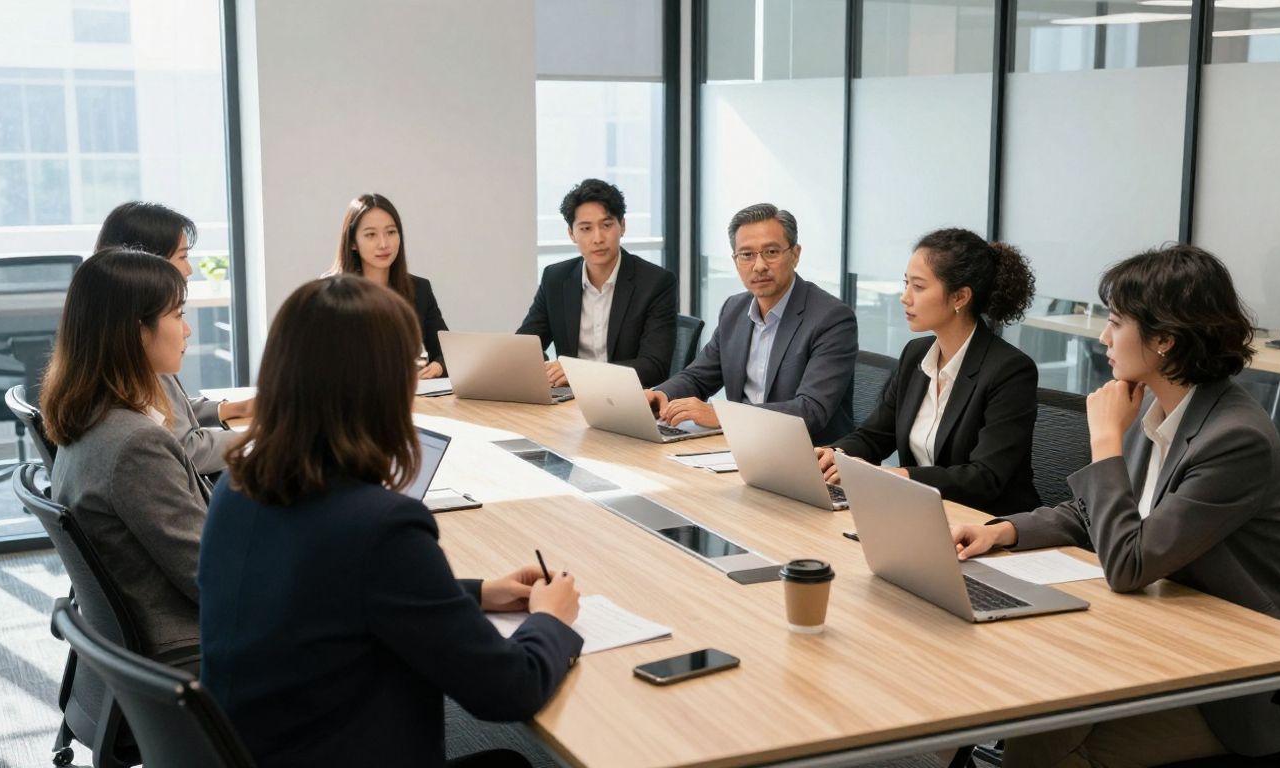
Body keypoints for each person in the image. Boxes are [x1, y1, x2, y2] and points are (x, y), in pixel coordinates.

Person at [199, 275, 583, 768]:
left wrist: (477, 592)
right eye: (412, 365)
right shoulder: (381, 527)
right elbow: (508, 691)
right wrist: (551, 619)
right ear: (379, 384)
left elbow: (333, 591)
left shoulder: (237, 486)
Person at [952, 245, 1280, 766]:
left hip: (1224, 681)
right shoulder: (1163, 404)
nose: (1102, 338)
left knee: (1046, 744)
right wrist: (1003, 531)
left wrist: (1105, 442)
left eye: (1116, 323)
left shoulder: (1234, 439)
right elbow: (1099, 510)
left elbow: (1129, 564)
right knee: (1033, 720)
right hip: (1153, 638)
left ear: (1164, 339)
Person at [42, 248, 210, 666]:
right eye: (177, 315)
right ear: (138, 332)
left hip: (146, 648)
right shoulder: (135, 446)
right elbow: (212, 580)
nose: (187, 330)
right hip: (188, 649)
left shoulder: (88, 419)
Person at [816, 228, 1041, 516]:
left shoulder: (1009, 370)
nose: (905, 297)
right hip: (923, 512)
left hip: (989, 523)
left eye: (919, 287)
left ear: (960, 297)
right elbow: (874, 435)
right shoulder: (916, 355)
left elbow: (985, 477)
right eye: (906, 283)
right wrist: (836, 455)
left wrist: (900, 478)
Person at [646, 204, 857, 445]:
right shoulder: (734, 310)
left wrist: (723, 416)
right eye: (746, 255)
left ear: (795, 254)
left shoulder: (831, 318)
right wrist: (659, 394)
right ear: (735, 260)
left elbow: (811, 410)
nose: (759, 266)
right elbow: (698, 377)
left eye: (771, 252)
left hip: (803, 456)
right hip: (738, 446)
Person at [95, 201, 251, 476]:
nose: (189, 270)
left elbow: (172, 412)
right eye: (182, 257)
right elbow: (184, 447)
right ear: (146, 261)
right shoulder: (138, 355)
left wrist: (229, 409)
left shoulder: (117, 340)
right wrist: (260, 439)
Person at [517, 178, 678, 388]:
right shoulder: (555, 279)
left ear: (622, 226)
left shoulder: (656, 283)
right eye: (585, 228)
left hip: (625, 401)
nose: (598, 238)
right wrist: (546, 371)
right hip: (568, 401)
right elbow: (525, 347)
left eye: (607, 225)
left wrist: (578, 373)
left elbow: (654, 367)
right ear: (571, 234)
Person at [331, 193, 450, 379]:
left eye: (391, 232)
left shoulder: (419, 289)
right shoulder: (330, 293)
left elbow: (448, 354)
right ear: (353, 242)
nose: (384, 244)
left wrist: (438, 367)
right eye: (371, 235)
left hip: (408, 399)